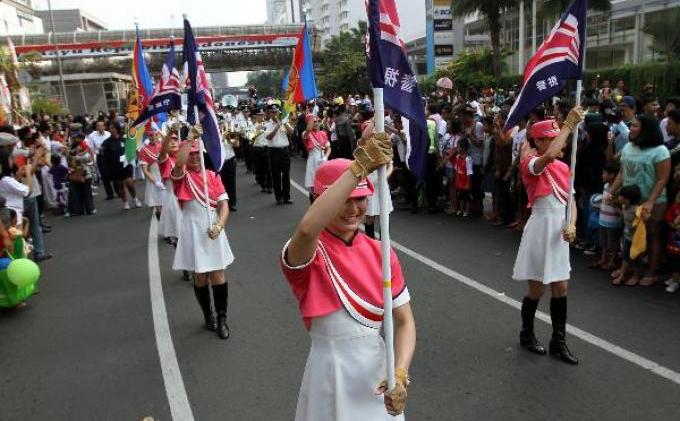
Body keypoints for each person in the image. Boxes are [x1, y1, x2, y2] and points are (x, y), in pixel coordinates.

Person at [280, 133, 415, 419]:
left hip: (379, 373)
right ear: (318, 199)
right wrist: (359, 167)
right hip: (331, 375)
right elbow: (306, 229)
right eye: (345, 200)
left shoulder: (382, 251)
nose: (354, 209)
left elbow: (404, 322)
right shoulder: (308, 252)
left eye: (361, 199)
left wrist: (401, 373)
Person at [513, 107, 583, 365]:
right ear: (539, 141)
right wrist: (568, 125)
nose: (557, 143)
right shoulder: (530, 163)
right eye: (550, 138)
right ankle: (527, 333)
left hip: (559, 230)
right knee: (537, 288)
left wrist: (572, 224)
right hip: (541, 227)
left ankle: (558, 340)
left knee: (561, 286)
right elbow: (551, 154)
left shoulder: (564, 166)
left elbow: (571, 202)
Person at [171, 134, 234, 340]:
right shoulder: (181, 177)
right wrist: (188, 140)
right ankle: (208, 316)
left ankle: (222, 318)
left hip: (213, 230)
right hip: (192, 229)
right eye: (191, 155)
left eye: (198, 154)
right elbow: (178, 164)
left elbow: (224, 204)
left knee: (218, 274)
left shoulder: (213, 176)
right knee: (200, 276)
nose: (195, 158)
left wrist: (220, 225)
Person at [609, 113, 671, 286]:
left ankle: (650, 272)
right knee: (630, 235)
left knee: (651, 237)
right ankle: (628, 269)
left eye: (635, 126)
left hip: (653, 202)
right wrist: (612, 190)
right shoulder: (628, 147)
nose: (631, 129)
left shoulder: (661, 151)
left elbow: (662, 179)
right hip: (630, 201)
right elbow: (623, 172)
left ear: (647, 130)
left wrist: (650, 201)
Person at [101, 122, 141, 210]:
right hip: (114, 167)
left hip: (126, 165)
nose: (112, 130)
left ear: (117, 129)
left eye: (113, 128)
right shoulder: (106, 143)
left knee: (129, 183)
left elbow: (132, 150)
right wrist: (106, 169)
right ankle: (125, 202)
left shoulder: (124, 139)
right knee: (119, 185)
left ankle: (135, 198)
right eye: (110, 128)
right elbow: (104, 157)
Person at [591, 162, 622, 272]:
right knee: (603, 242)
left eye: (604, 173)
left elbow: (620, 206)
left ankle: (612, 261)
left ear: (612, 175)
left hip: (613, 221)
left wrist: (613, 202)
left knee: (612, 244)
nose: (602, 175)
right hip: (603, 219)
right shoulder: (605, 186)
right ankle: (603, 259)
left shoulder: (618, 190)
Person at [611, 185, 643, 286]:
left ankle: (636, 276)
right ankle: (622, 274)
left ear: (627, 199)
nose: (619, 198)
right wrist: (615, 206)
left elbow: (642, 222)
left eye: (621, 196)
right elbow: (623, 216)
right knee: (625, 257)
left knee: (635, 259)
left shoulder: (637, 210)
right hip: (627, 237)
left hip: (636, 240)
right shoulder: (625, 207)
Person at [158, 129, 183, 248]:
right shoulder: (165, 160)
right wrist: (168, 134)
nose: (173, 143)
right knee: (178, 228)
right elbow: (162, 151)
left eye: (175, 140)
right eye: (170, 141)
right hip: (173, 196)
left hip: (186, 194)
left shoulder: (184, 158)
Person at [266, 105, 294, 205]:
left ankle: (287, 197)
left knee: (286, 175)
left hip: (285, 151)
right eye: (272, 112)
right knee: (276, 175)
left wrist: (284, 123)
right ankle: (278, 197)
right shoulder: (267, 124)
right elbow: (269, 137)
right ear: (269, 113)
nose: (275, 114)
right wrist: (277, 126)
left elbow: (292, 133)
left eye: (276, 112)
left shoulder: (284, 122)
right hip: (274, 152)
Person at [302, 114, 331, 202]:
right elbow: (309, 129)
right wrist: (311, 117)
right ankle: (314, 204)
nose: (317, 123)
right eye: (314, 122)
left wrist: (325, 157)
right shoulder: (306, 134)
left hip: (322, 160)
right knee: (314, 187)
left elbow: (328, 148)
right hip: (313, 160)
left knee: (325, 185)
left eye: (318, 121)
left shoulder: (323, 133)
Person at [138, 130, 165, 219]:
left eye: (155, 135)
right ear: (147, 137)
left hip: (165, 175)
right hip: (154, 178)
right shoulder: (144, 150)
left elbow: (170, 142)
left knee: (170, 204)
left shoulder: (162, 146)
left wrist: (160, 131)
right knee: (158, 206)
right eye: (150, 135)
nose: (153, 137)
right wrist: (156, 182)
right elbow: (145, 170)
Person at [86, 120, 113, 199]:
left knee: (114, 173)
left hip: (110, 156)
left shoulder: (108, 134)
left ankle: (118, 191)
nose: (100, 127)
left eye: (102, 126)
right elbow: (91, 148)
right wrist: (93, 160)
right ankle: (109, 194)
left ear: (104, 126)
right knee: (104, 176)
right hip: (100, 157)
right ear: (96, 127)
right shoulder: (92, 136)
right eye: (98, 126)